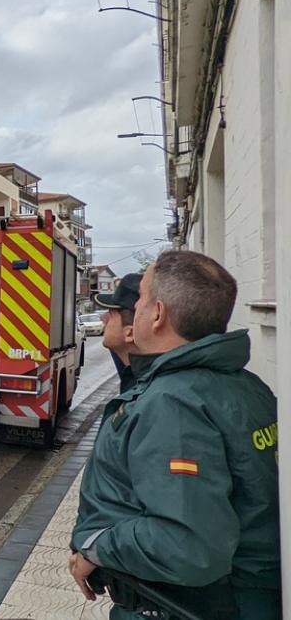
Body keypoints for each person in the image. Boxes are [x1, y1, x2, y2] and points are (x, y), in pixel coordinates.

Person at [69, 251, 279, 619]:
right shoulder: (246, 387)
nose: (136, 307)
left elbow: (186, 545)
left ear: (158, 313)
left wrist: (96, 546)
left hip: (177, 607)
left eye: (141, 299)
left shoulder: (173, 404)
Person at [93, 272, 141, 393]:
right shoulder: (135, 376)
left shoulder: (146, 395)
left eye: (111, 313)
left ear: (130, 333)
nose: (103, 318)